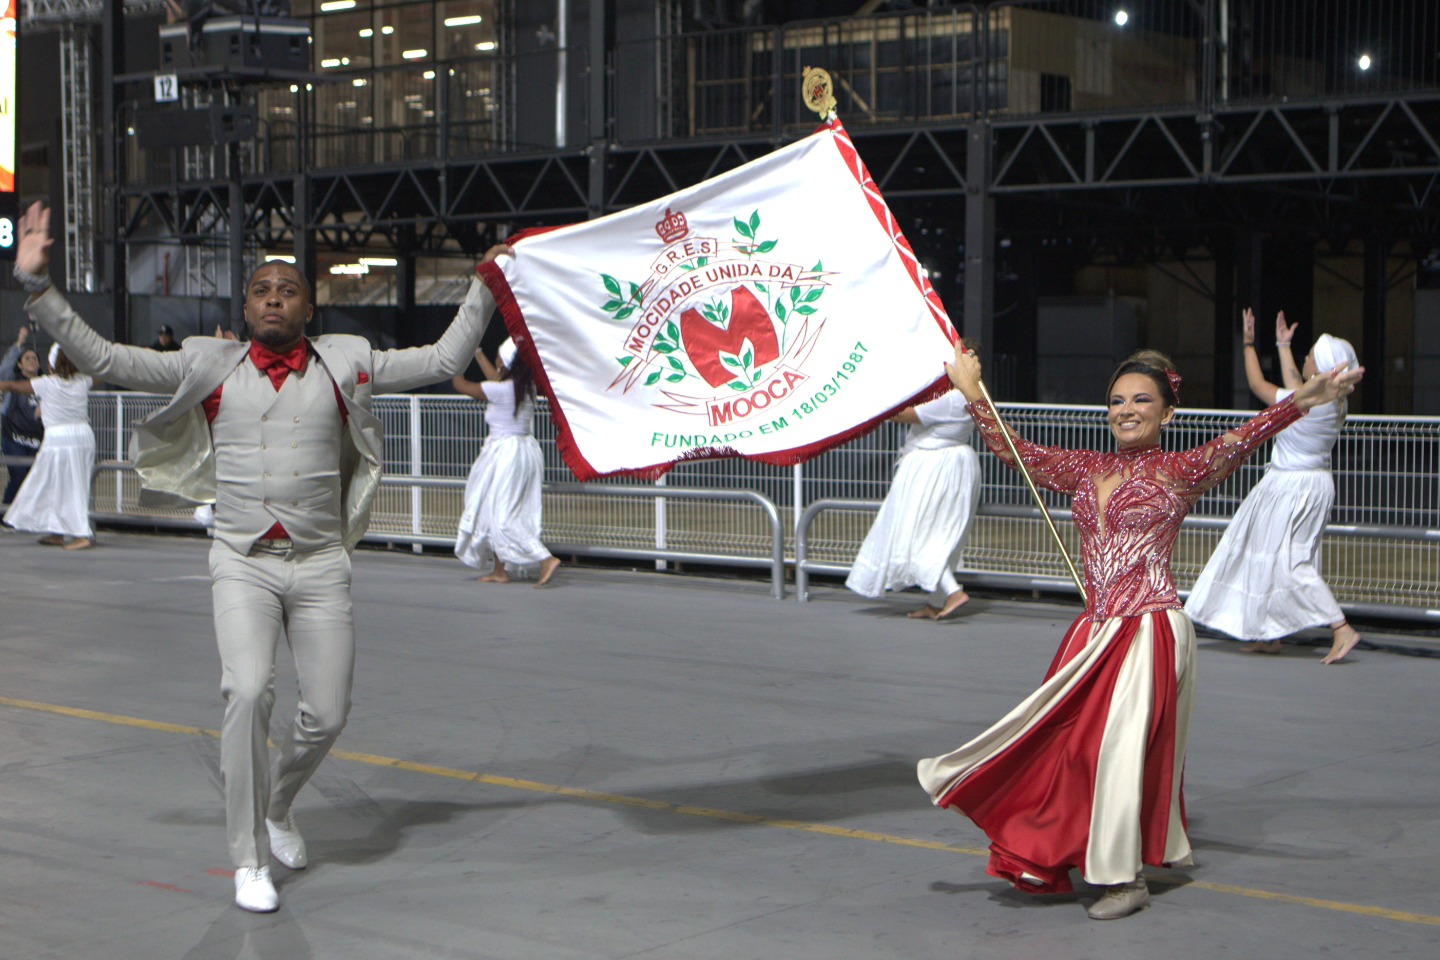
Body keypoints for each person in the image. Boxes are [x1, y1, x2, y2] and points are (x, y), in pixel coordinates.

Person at [12, 200, 509, 913]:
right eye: (261, 289)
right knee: (247, 693)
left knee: (328, 714)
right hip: (241, 561)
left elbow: (441, 361)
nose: (274, 296)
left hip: (320, 563)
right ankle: (248, 858)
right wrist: (38, 288)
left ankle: (278, 807)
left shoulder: (350, 360)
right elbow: (109, 360)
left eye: (288, 288)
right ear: (246, 307)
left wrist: (485, 285)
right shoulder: (208, 363)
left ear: (310, 306)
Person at [916, 341, 1362, 921]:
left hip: (1150, 629)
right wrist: (974, 393)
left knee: (1120, 755)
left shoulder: (1179, 470)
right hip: (1093, 630)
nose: (1126, 410)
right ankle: (1072, 847)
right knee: (1070, 750)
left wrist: (1300, 402)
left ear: (1167, 413)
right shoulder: (1084, 468)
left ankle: (1122, 879)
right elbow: (1014, 451)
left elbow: (1242, 439)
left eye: (1141, 400)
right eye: (1117, 401)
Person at [1185, 311, 1362, 664]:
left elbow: (1257, 384)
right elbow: (1298, 384)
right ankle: (1269, 633)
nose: (1305, 357)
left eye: (1310, 354)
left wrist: (1249, 342)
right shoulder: (1329, 401)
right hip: (1306, 484)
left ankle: (1341, 628)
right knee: (1265, 557)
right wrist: (1283, 344)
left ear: (1322, 370)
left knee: (1292, 562)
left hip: (1290, 487)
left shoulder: (1309, 406)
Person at [846, 339, 983, 619]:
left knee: (919, 534)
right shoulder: (973, 393)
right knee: (941, 534)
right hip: (953, 465)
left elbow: (905, 414)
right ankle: (936, 601)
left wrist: (872, 402)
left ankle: (954, 592)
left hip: (932, 468)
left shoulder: (952, 398)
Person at [452, 338, 560, 587]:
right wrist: (477, 353)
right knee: (493, 509)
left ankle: (544, 558)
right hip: (522, 450)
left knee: (503, 515)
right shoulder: (525, 387)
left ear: (506, 364)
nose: (496, 361)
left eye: (499, 357)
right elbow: (495, 378)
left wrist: (454, 358)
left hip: (505, 454)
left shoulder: (501, 390)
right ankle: (500, 570)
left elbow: (461, 385)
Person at [0, 344, 97, 549]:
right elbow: (100, 374)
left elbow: (13, 386)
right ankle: (57, 532)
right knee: (61, 486)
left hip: (59, 439)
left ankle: (82, 534)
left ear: (51, 364)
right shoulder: (83, 381)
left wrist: (5, 385)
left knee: (62, 486)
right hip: (82, 436)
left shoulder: (46, 383)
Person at [2, 325, 45, 510]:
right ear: (19, 364)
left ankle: (26, 513)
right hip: (13, 436)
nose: (31, 361)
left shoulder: (44, 383)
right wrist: (20, 343)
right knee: (18, 472)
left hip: (36, 438)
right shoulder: (13, 379)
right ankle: (6, 511)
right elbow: (4, 368)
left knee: (33, 476)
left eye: (35, 358)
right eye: (27, 358)